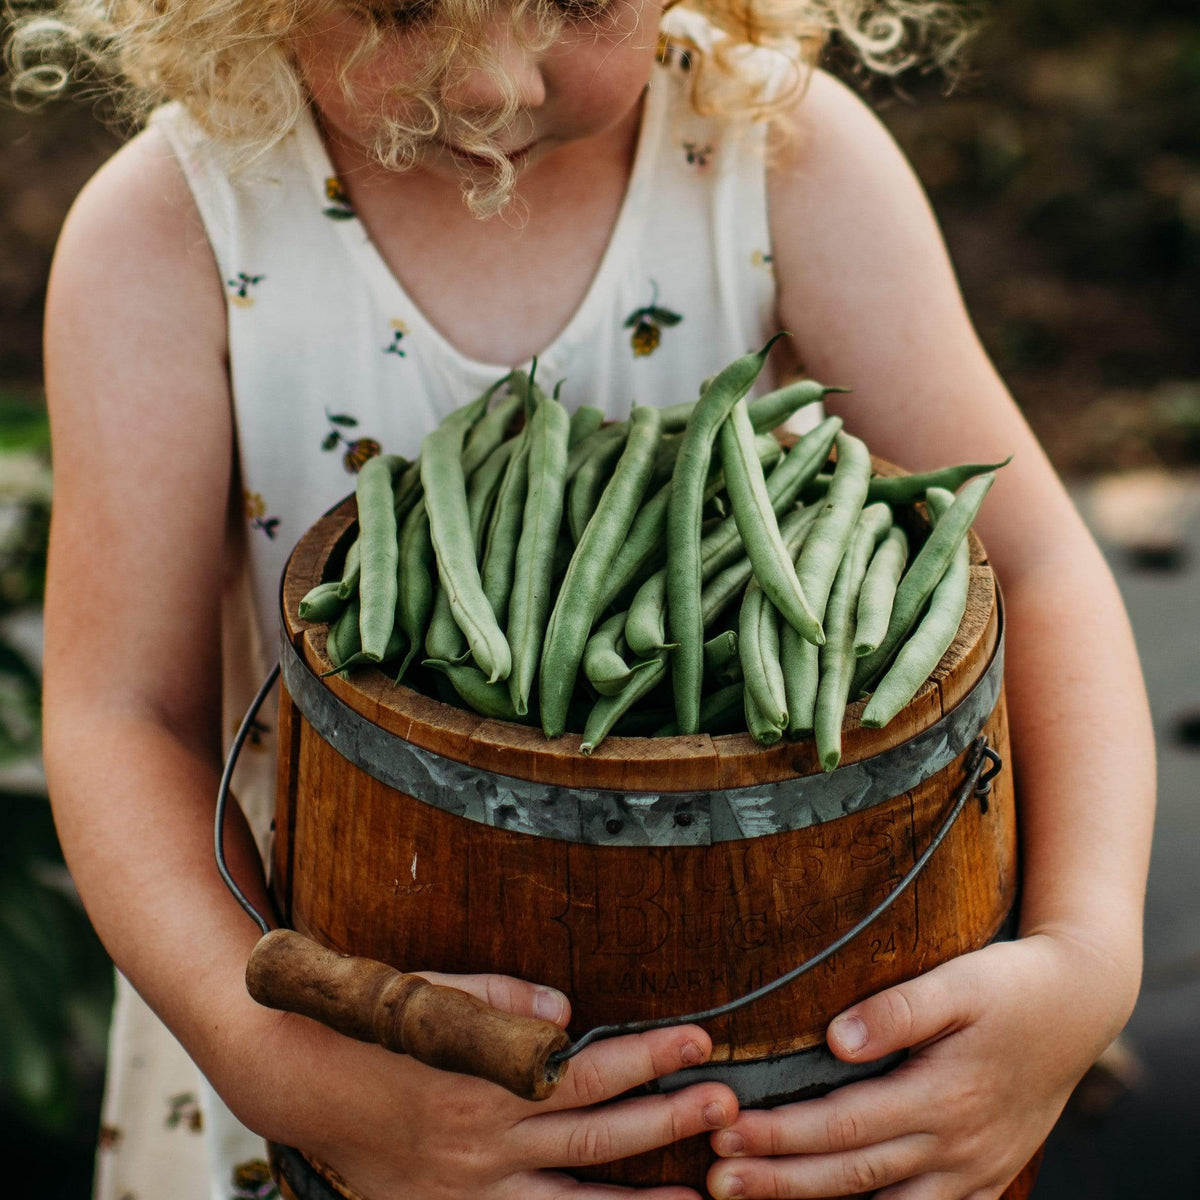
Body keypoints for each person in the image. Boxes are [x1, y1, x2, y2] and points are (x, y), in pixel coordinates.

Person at [11, 0, 1155, 1194]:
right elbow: (120, 713)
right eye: (403, 9)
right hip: (339, 1011)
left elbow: (1030, 567)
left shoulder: (772, 152)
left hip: (789, 990)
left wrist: (1085, 958)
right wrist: (271, 1060)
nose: (499, 80)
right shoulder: (173, 231)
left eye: (576, 2)